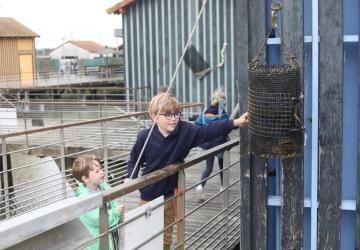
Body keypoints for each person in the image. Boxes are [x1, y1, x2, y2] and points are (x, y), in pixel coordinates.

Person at [127, 92, 248, 250]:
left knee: (165, 240)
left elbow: (209, 130)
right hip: (148, 197)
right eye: (168, 115)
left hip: (169, 196)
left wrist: (235, 122)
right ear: (154, 116)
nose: (173, 118)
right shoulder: (144, 136)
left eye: (176, 114)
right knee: (147, 240)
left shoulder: (185, 131)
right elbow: (134, 159)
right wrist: (130, 178)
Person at [72, 154, 125, 250]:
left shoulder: (103, 185)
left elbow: (113, 200)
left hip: (110, 235)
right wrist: (116, 212)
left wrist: (116, 208)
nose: (102, 172)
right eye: (97, 171)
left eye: (101, 169)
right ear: (86, 179)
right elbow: (98, 219)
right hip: (96, 244)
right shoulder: (84, 199)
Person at [195, 89, 229, 201]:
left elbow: (197, 124)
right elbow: (228, 127)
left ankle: (200, 185)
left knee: (208, 168)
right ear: (223, 101)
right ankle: (223, 187)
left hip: (208, 144)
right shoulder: (222, 114)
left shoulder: (205, 112)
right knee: (222, 166)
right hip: (220, 144)